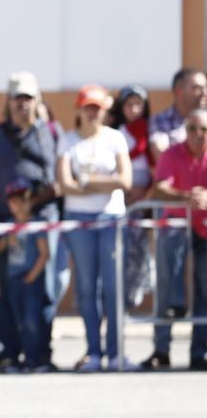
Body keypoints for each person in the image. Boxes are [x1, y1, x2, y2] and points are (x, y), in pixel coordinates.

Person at [0, 72, 62, 372]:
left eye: (28, 98)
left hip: (41, 220)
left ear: (36, 101)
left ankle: (40, 355)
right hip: (4, 221)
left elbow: (58, 181)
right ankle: (10, 354)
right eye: (17, 98)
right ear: (9, 101)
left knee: (42, 290)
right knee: (6, 290)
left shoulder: (50, 132)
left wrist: (33, 203)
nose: (22, 104)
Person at [56, 85, 133, 371]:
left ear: (104, 111)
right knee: (87, 287)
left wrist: (86, 181)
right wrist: (104, 180)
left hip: (111, 218)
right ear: (79, 109)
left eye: (97, 108)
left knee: (112, 288)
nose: (92, 113)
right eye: (87, 107)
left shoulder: (115, 139)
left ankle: (115, 353)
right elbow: (65, 185)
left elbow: (124, 181)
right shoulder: (67, 140)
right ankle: (94, 351)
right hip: (79, 219)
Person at [143, 68, 207, 369]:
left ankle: (199, 352)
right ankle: (162, 350)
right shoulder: (172, 152)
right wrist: (187, 197)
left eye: (204, 130)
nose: (198, 135)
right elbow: (161, 186)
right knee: (166, 287)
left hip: (204, 229)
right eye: (193, 129)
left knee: (206, 290)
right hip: (175, 227)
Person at [0, 181, 53, 373]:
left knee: (32, 321)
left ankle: (35, 359)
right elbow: (0, 247)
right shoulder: (10, 226)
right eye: (13, 202)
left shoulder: (37, 225)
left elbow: (45, 254)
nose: (18, 206)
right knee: (16, 320)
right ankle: (17, 357)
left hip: (31, 280)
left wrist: (32, 275)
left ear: (30, 202)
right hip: (13, 279)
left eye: (22, 201)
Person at [109, 84, 154, 310]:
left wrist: (144, 193)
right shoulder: (116, 132)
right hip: (120, 196)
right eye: (129, 104)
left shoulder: (145, 128)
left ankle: (133, 293)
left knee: (138, 249)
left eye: (139, 104)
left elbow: (143, 151)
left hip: (141, 195)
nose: (134, 109)